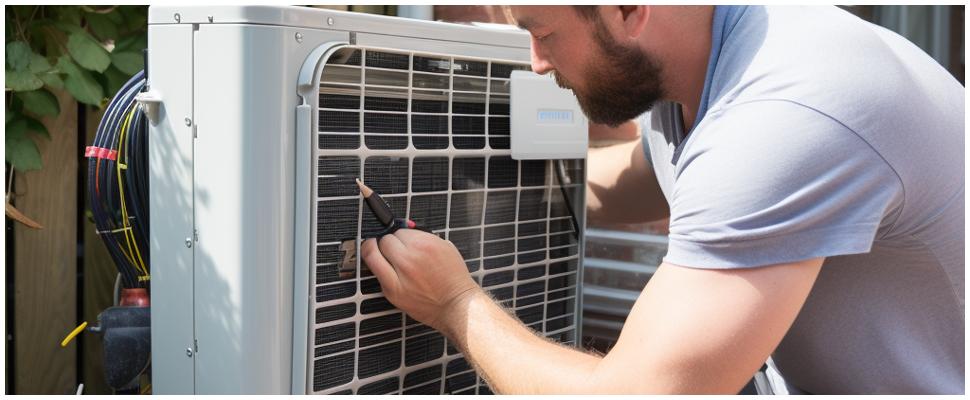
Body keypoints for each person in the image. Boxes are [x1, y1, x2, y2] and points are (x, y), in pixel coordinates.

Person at [361, 5, 964, 394]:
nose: (537, 64)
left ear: (628, 10)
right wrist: (479, 186)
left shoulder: (785, 115)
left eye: (542, 34)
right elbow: (646, 180)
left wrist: (455, 302)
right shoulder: (706, 64)